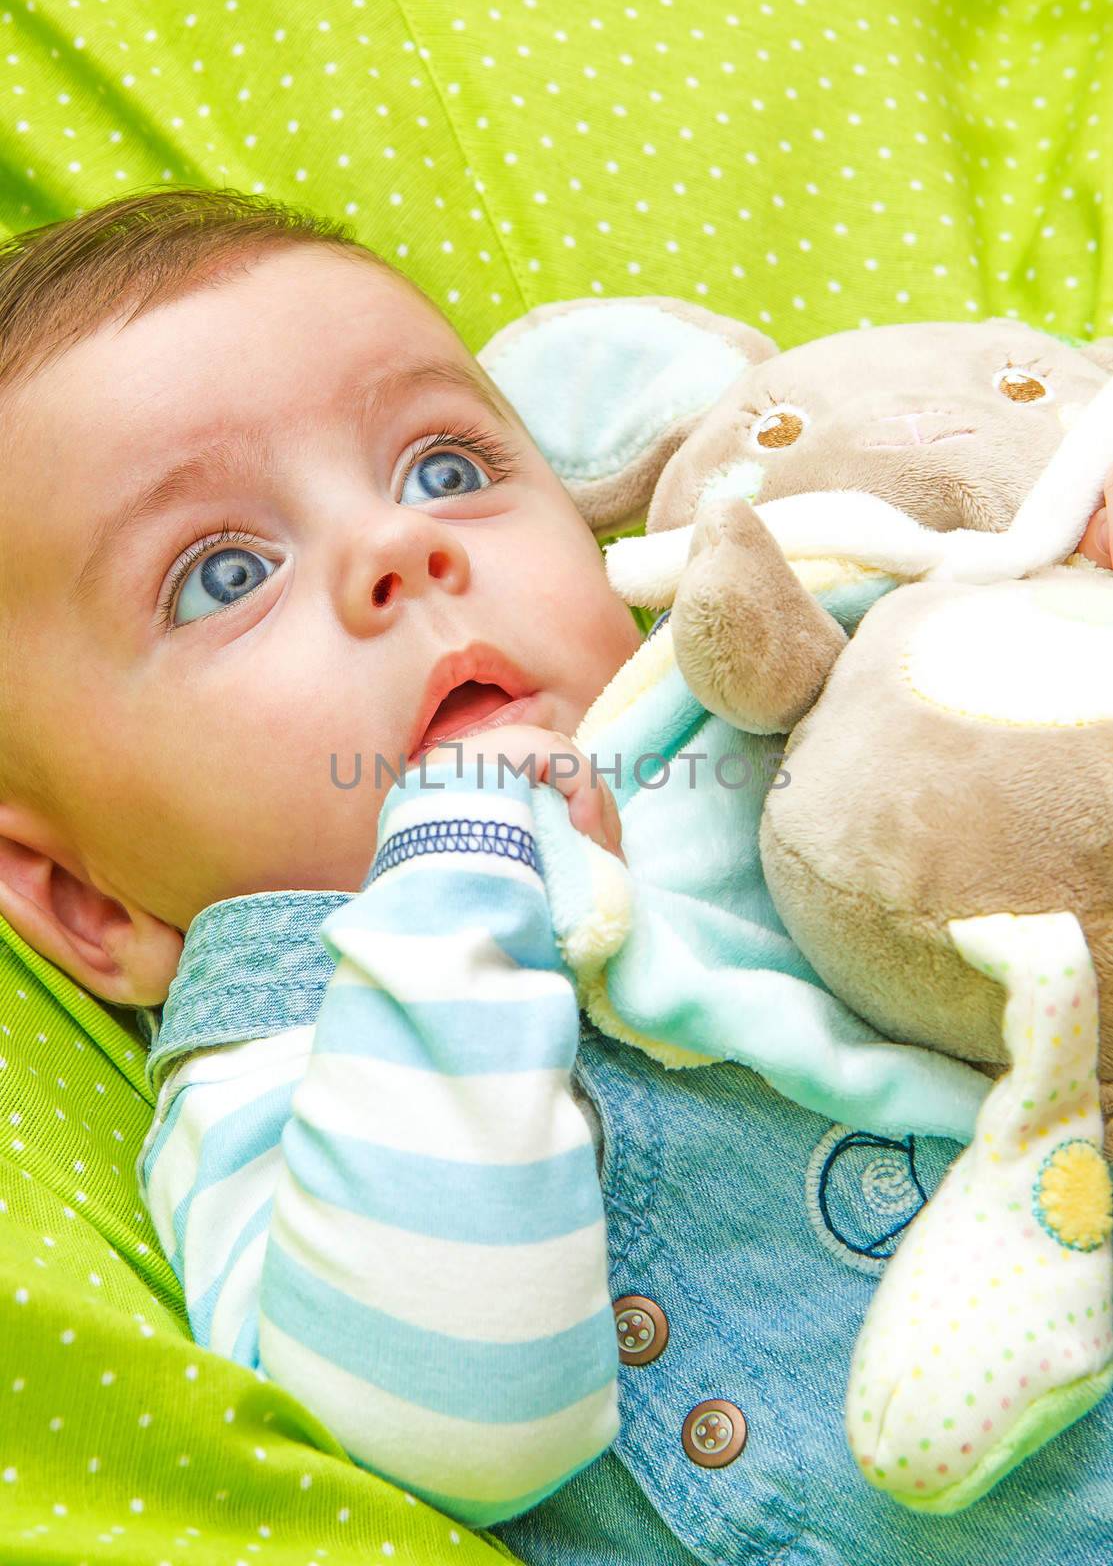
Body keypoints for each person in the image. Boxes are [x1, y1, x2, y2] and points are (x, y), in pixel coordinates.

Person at [0, 185, 1108, 1565]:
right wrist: (458, 892)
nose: (404, 550)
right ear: (87, 905)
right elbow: (461, 1426)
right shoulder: (270, 1083)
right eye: (225, 573)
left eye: (446, 471)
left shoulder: (763, 699)